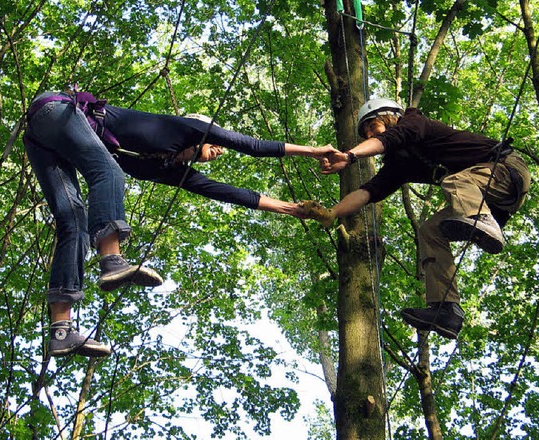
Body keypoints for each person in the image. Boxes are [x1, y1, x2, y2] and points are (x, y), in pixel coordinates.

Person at [24, 89, 338, 358]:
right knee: (108, 173)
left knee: (73, 223)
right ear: (202, 131)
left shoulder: (166, 167)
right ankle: (112, 261)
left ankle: (61, 329)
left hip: (43, 140)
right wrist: (314, 152)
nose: (220, 148)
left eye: (220, 148)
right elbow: (252, 146)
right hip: (57, 110)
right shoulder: (183, 129)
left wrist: (292, 209)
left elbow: (227, 193)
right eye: (216, 141)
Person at [304, 98, 530, 339]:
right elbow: (369, 191)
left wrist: (349, 157)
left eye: (371, 125)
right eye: (365, 132)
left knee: (454, 181)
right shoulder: (400, 163)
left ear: (389, 115)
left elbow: (388, 139)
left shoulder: (415, 122)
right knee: (429, 231)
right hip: (486, 195)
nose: (369, 133)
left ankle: (480, 220)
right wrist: (331, 213)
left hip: (505, 170)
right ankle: (447, 309)